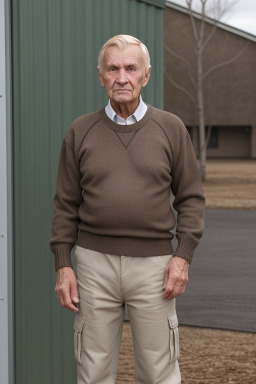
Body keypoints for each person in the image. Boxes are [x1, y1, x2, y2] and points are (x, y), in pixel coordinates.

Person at [50, 34, 205, 384]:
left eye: (131, 68)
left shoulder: (171, 129)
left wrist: (182, 257)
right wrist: (63, 265)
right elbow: (65, 204)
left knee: (158, 370)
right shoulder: (80, 131)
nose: (122, 77)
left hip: (156, 268)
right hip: (93, 265)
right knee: (93, 371)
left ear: (145, 75)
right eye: (113, 69)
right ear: (101, 76)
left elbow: (191, 199)